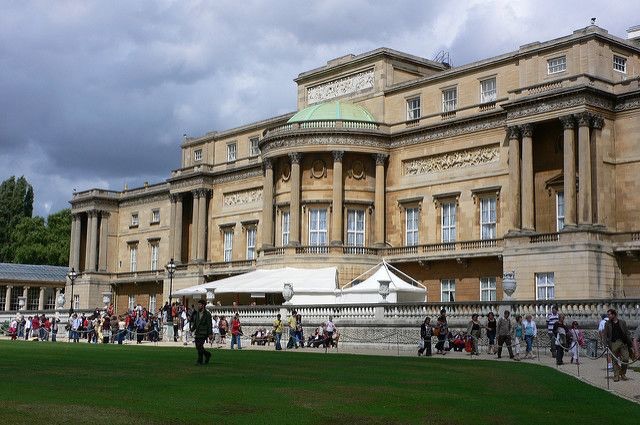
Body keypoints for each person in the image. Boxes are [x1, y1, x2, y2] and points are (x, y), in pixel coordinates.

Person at [604, 309, 632, 382]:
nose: (608, 316)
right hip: (613, 343)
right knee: (614, 360)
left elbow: (627, 332)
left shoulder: (622, 322)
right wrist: (605, 345)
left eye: (609, 314)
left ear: (614, 315)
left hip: (623, 343)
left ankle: (622, 373)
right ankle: (616, 375)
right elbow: (605, 335)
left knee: (626, 359)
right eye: (608, 315)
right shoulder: (607, 323)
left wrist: (630, 342)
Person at [190, 299, 213, 365]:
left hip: (204, 332)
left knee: (199, 346)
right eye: (198, 304)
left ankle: (199, 361)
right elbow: (195, 323)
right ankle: (207, 354)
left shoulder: (207, 314)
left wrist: (210, 333)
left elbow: (209, 324)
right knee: (198, 347)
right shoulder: (197, 313)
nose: (198, 306)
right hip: (198, 332)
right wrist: (192, 329)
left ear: (203, 305)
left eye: (200, 304)